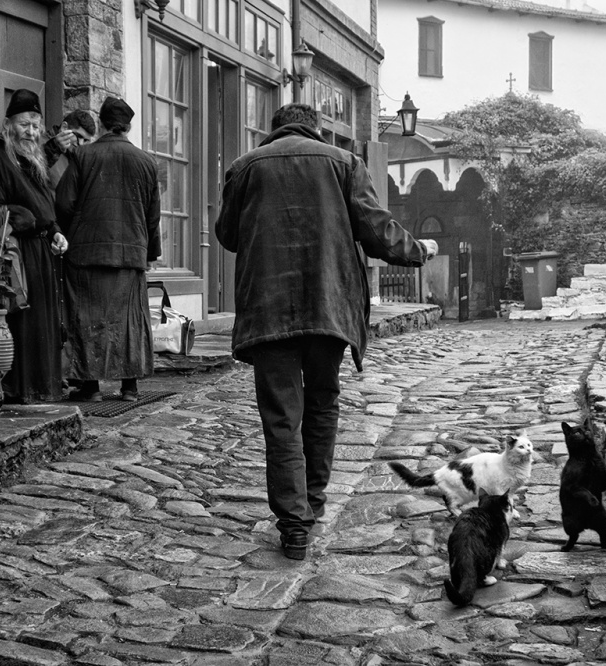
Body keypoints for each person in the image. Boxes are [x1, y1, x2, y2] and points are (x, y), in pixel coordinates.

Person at [214, 103, 439, 560]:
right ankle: (312, 504)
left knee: (281, 417)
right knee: (322, 404)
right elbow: (375, 228)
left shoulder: (245, 167)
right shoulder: (343, 163)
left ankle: (293, 525)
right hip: (328, 305)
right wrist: (419, 249)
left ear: (274, 129)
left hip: (268, 308)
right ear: (315, 128)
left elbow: (228, 234)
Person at [55, 96, 160, 402]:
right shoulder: (147, 162)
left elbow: (64, 203)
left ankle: (90, 388)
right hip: (130, 255)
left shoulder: (83, 155)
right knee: (129, 321)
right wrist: (149, 255)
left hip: (86, 252)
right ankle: (130, 387)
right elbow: (152, 216)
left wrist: (68, 234)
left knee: (85, 318)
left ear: (100, 123)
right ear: (128, 127)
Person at [0, 89, 69, 404]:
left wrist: (54, 230)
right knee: (21, 321)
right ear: (8, 124)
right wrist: (24, 219)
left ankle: (41, 388)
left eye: (36, 126)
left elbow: (41, 202)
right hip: (14, 253)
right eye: (25, 124)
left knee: (41, 323)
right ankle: (20, 389)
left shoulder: (31, 158)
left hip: (39, 250)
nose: (31, 131)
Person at [44, 109, 96, 189]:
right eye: (78, 136)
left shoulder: (76, 155)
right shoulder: (39, 146)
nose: (81, 143)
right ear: (64, 127)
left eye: (85, 140)